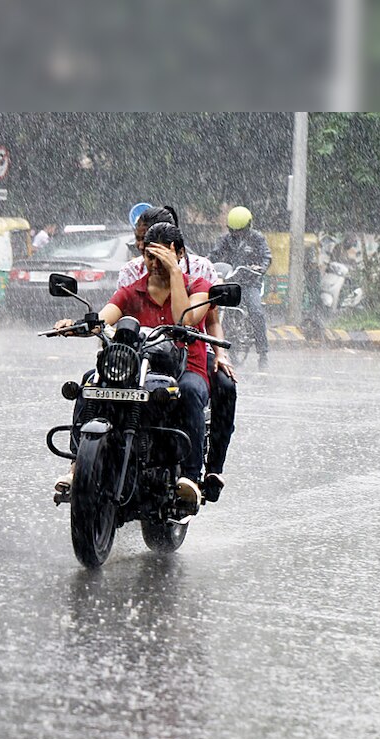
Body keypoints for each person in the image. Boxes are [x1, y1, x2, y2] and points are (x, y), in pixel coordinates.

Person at [53, 222, 213, 511]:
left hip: (187, 367)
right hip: (136, 370)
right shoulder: (131, 291)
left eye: (162, 256)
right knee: (90, 382)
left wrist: (175, 273)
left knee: (189, 391)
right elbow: (103, 320)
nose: (154, 264)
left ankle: (191, 478)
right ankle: (78, 466)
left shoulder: (198, 287)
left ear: (179, 253)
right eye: (149, 257)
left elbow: (184, 321)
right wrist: (76, 326)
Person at [118, 204, 236, 502]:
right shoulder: (131, 274)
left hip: (194, 350)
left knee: (221, 386)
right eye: (142, 243)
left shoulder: (200, 273)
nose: (145, 250)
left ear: (175, 246)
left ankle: (209, 471)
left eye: (151, 242)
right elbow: (118, 316)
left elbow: (209, 321)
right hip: (143, 353)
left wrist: (221, 355)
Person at [210, 205, 272, 370]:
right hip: (229, 282)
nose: (237, 234)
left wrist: (260, 267)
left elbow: (266, 256)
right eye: (233, 231)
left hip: (250, 283)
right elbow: (214, 255)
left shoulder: (257, 238)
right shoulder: (225, 239)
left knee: (256, 311)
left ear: (248, 226)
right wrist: (205, 262)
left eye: (240, 231)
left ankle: (263, 353)